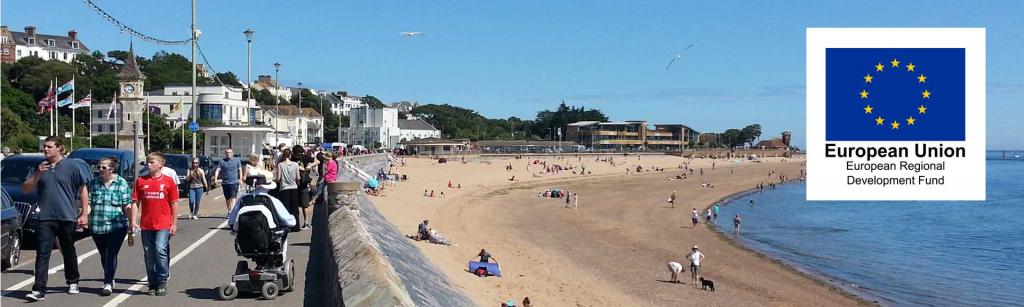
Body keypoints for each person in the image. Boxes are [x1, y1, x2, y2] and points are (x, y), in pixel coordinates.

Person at [23, 136, 92, 301]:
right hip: (45, 217)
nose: (45, 149)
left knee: (68, 250)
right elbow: (26, 188)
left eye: (49, 146)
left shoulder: (72, 166)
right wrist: (38, 174)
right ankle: (39, 289)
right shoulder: (40, 167)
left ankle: (73, 281)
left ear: (59, 148)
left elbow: (83, 190)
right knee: (42, 253)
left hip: (66, 216)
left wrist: (83, 214)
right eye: (44, 147)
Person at [132, 152, 180, 296]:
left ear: (161, 164)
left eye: (152, 162)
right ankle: (152, 283)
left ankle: (162, 280)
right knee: (148, 254)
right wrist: (133, 221)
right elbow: (135, 202)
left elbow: (174, 203)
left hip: (163, 223)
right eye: (148, 162)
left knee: (160, 250)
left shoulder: (168, 181)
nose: (149, 164)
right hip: (146, 224)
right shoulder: (141, 181)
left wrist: (174, 223)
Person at [88, 157, 134, 296]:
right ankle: (110, 275)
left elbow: (126, 205)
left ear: (111, 169)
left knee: (110, 254)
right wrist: (84, 215)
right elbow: (89, 203)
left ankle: (107, 282)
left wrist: (132, 222)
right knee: (103, 255)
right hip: (97, 225)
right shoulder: (94, 183)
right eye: (98, 167)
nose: (100, 170)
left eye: (103, 167)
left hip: (116, 226)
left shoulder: (121, 183)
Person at [276, 149, 301, 232]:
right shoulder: (295, 164)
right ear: (290, 155)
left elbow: (278, 177)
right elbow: (298, 177)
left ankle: (287, 226)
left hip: (284, 188)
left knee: (286, 208)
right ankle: (296, 226)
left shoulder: (280, 164)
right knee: (294, 208)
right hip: (294, 187)